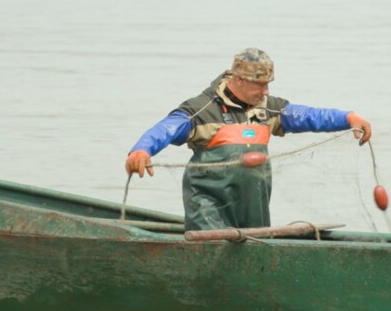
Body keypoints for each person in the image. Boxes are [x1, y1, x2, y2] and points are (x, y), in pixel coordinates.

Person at [125, 48, 373, 231]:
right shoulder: (202, 109)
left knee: (255, 243)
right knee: (217, 243)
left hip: (253, 206)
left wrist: (348, 117)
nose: (265, 92)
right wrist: (142, 150)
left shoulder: (269, 109)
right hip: (207, 208)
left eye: (268, 85)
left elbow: (309, 116)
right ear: (238, 80)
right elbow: (166, 129)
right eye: (260, 85)